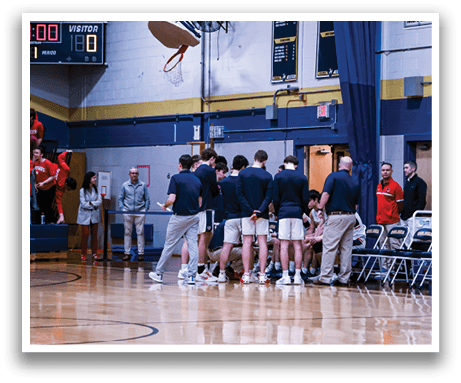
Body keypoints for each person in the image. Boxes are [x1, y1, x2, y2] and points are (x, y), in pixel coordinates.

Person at [149, 154, 202, 284]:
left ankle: (159, 273)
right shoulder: (197, 180)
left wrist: (164, 205)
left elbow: (172, 199)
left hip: (179, 217)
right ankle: (191, 276)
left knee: (169, 245)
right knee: (193, 245)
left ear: (179, 165)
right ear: (191, 165)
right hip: (194, 216)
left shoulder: (175, 178)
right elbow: (200, 201)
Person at [315, 156, 359, 286]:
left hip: (336, 215)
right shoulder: (354, 181)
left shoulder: (333, 176)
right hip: (351, 216)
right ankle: (344, 278)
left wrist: (320, 207)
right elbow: (356, 205)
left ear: (340, 165)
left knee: (329, 247)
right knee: (346, 248)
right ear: (349, 167)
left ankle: (325, 277)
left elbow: (326, 194)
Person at [236, 150, 273, 284]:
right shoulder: (268, 175)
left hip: (246, 213)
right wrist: (258, 211)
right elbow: (269, 197)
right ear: (264, 161)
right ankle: (262, 275)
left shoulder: (243, 173)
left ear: (253, 158)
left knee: (247, 241)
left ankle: (246, 274)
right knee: (262, 242)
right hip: (262, 214)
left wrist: (250, 210)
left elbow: (239, 194)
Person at [272, 155, 310, 285]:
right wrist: (303, 211)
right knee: (297, 245)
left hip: (283, 211)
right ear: (296, 165)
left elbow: (275, 198)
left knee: (284, 245)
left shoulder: (278, 176)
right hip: (297, 212)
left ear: (284, 163)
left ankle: (285, 276)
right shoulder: (302, 177)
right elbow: (306, 198)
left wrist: (277, 212)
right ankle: (298, 276)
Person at [218, 155, 249, 282]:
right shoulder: (245, 181)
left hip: (229, 217)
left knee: (227, 246)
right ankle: (248, 273)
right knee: (248, 245)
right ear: (242, 167)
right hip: (243, 217)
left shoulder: (223, 182)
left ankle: (221, 274)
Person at [193, 148, 220, 282]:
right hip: (207, 206)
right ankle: (201, 270)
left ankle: (199, 268)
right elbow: (215, 189)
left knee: (199, 238)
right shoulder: (209, 170)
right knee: (205, 237)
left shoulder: (196, 170)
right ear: (212, 159)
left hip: (197, 208)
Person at [376, 162, 404, 277]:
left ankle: (393, 269)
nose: (385, 172)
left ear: (391, 171)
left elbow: (400, 205)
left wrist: (393, 214)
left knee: (394, 245)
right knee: (383, 245)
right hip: (381, 221)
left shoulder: (395, 186)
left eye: (387, 170)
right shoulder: (378, 185)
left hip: (392, 221)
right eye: (383, 170)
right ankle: (384, 268)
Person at [118, 167, 151, 261]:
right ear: (129, 174)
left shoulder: (143, 185)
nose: (134, 175)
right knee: (127, 232)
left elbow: (147, 198)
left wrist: (145, 209)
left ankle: (141, 253)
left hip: (140, 211)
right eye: (132, 173)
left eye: (136, 173)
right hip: (127, 211)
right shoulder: (125, 185)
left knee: (140, 233)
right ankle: (127, 253)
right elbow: (120, 198)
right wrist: (122, 209)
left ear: (138, 174)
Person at [400, 160, 427, 247]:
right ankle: (408, 260)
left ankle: (414, 259)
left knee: (413, 239)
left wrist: (414, 214)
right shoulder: (407, 182)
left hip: (412, 217)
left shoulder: (420, 182)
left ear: (413, 169)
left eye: (406, 168)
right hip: (404, 216)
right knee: (404, 240)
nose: (404, 170)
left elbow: (422, 201)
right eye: (404, 168)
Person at [76, 172, 102, 260]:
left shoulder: (97, 189)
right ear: (89, 179)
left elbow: (99, 201)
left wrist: (90, 203)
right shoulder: (82, 190)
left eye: (95, 178)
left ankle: (95, 253)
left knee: (94, 234)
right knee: (85, 234)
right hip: (84, 215)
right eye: (93, 178)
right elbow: (83, 204)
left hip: (94, 214)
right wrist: (93, 203)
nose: (95, 179)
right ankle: (83, 254)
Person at [33, 146, 57, 224]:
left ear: (42, 154)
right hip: (40, 188)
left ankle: (50, 222)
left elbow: (53, 176)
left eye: (37, 153)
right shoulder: (35, 163)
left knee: (48, 206)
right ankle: (41, 223)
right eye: (34, 153)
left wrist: (43, 183)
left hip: (49, 187)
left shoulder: (47, 163)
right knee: (41, 206)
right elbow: (34, 176)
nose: (35, 154)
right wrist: (35, 185)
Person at [54, 150, 77, 224]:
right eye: (69, 189)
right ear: (67, 185)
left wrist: (61, 216)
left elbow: (58, 201)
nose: (67, 190)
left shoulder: (61, 188)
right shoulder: (66, 170)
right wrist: (66, 151)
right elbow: (60, 158)